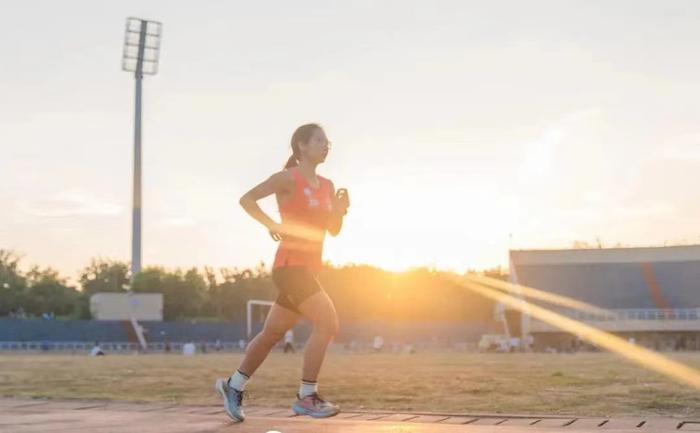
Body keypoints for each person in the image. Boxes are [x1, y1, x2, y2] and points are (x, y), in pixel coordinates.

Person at [215, 124, 350, 422]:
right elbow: (247, 199)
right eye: (319, 140)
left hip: (309, 268)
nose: (326, 145)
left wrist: (339, 210)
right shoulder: (288, 178)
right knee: (328, 323)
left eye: (328, 142)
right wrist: (271, 225)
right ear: (301, 145)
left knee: (272, 333)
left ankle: (233, 385)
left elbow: (333, 230)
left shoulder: (327, 186)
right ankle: (307, 396)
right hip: (290, 268)